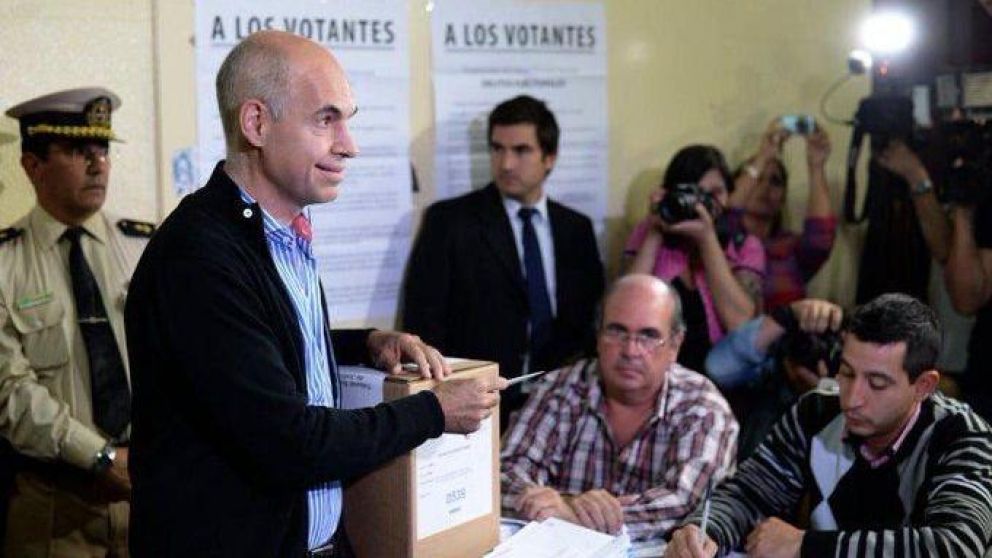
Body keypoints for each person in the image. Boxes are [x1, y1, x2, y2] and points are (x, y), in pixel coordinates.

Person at [124, 31, 505, 557]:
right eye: (326, 120)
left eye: (347, 119)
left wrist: (364, 345)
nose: (349, 144)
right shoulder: (199, 255)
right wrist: (433, 413)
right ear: (256, 123)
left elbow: (259, 350)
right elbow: (290, 440)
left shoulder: (277, 232)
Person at [666, 293, 992, 558]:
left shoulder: (962, 435)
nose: (852, 398)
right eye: (847, 373)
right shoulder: (818, 411)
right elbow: (749, 494)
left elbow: (956, 545)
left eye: (877, 383)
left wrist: (806, 546)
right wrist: (703, 531)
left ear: (923, 385)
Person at [0, 87, 152, 556]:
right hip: (55, 508)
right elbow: (9, 390)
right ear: (33, 165)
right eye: (76, 150)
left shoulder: (147, 247)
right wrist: (101, 457)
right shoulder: (6, 263)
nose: (97, 163)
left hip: (154, 496)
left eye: (102, 149)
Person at [403, 95, 604, 428]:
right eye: (497, 149)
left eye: (521, 150)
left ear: (549, 157)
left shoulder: (575, 229)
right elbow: (424, 322)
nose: (506, 163)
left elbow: (588, 318)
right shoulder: (450, 222)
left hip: (561, 404)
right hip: (478, 404)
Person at [501, 275, 738, 552]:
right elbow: (504, 473)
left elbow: (688, 501)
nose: (630, 350)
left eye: (649, 335)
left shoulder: (703, 407)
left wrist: (570, 513)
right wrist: (557, 505)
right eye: (617, 331)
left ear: (675, 344)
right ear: (598, 336)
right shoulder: (559, 389)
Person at [624, 145, 765, 373]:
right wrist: (655, 230)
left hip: (719, 380)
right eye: (694, 193)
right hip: (655, 374)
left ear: (729, 195)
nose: (703, 204)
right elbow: (627, 307)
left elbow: (740, 324)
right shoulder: (649, 232)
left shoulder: (744, 246)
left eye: (714, 194)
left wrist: (707, 239)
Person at [705, 298, 843, 459]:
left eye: (823, 349)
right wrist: (787, 315)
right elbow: (717, 367)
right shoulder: (772, 377)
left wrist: (827, 394)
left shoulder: (852, 405)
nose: (813, 358)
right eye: (805, 344)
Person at [728, 119, 837, 310]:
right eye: (758, 178)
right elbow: (727, 213)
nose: (765, 187)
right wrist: (764, 155)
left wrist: (816, 166)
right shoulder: (720, 242)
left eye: (775, 181)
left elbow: (821, 238)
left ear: (783, 198)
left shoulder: (789, 248)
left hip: (788, 336)